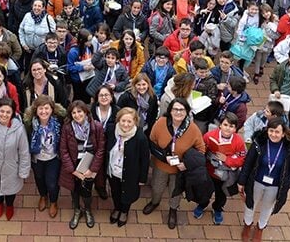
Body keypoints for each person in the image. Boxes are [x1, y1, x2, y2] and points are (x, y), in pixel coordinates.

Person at [142, 98, 206, 229]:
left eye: (182, 109)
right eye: (175, 109)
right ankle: (155, 202)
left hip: (180, 169)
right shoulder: (161, 122)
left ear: (187, 112)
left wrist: (186, 164)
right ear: (170, 111)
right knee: (157, 187)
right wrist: (163, 157)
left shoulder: (193, 129)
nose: (178, 112)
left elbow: (201, 150)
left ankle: (173, 210)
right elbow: (152, 141)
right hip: (161, 165)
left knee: (175, 191)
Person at [237, 119, 290, 241]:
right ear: (267, 131)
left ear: (283, 134)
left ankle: (260, 227)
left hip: (275, 186)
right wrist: (241, 181)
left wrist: (288, 184)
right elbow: (248, 163)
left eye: (277, 132)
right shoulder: (259, 143)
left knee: (267, 207)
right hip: (256, 182)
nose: (273, 134)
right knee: (250, 204)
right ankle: (247, 224)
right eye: (271, 131)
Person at [194, 113, 247, 225]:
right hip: (209, 171)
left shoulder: (238, 141)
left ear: (235, 129)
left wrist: (227, 159)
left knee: (221, 195)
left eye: (231, 126)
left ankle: (217, 208)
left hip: (225, 176)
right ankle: (202, 204)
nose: (228, 128)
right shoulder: (209, 136)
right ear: (220, 125)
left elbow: (242, 159)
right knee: (205, 192)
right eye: (225, 125)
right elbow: (201, 149)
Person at [59, 100, 105, 229]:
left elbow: (101, 149)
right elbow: (63, 150)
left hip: (90, 164)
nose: (77, 115)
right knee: (74, 189)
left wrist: (92, 169)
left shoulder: (96, 126)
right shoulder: (67, 128)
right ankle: (77, 210)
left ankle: (87, 210)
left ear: (85, 112)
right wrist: (72, 170)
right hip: (74, 164)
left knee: (87, 189)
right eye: (73, 113)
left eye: (79, 111)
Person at [105, 107, 150, 227]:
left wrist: (142, 178)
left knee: (127, 194)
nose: (125, 124)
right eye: (123, 121)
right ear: (118, 120)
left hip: (130, 173)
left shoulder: (140, 138)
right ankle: (117, 208)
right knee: (115, 192)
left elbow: (145, 159)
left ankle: (124, 211)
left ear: (135, 122)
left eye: (129, 121)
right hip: (113, 171)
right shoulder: (111, 130)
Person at [25, 94, 63, 218]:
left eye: (47, 108)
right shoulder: (29, 124)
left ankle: (53, 201)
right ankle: (43, 196)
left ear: (52, 109)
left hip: (53, 157)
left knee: (52, 182)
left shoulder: (59, 122)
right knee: (39, 178)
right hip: (37, 158)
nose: (44, 111)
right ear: (36, 110)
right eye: (40, 108)